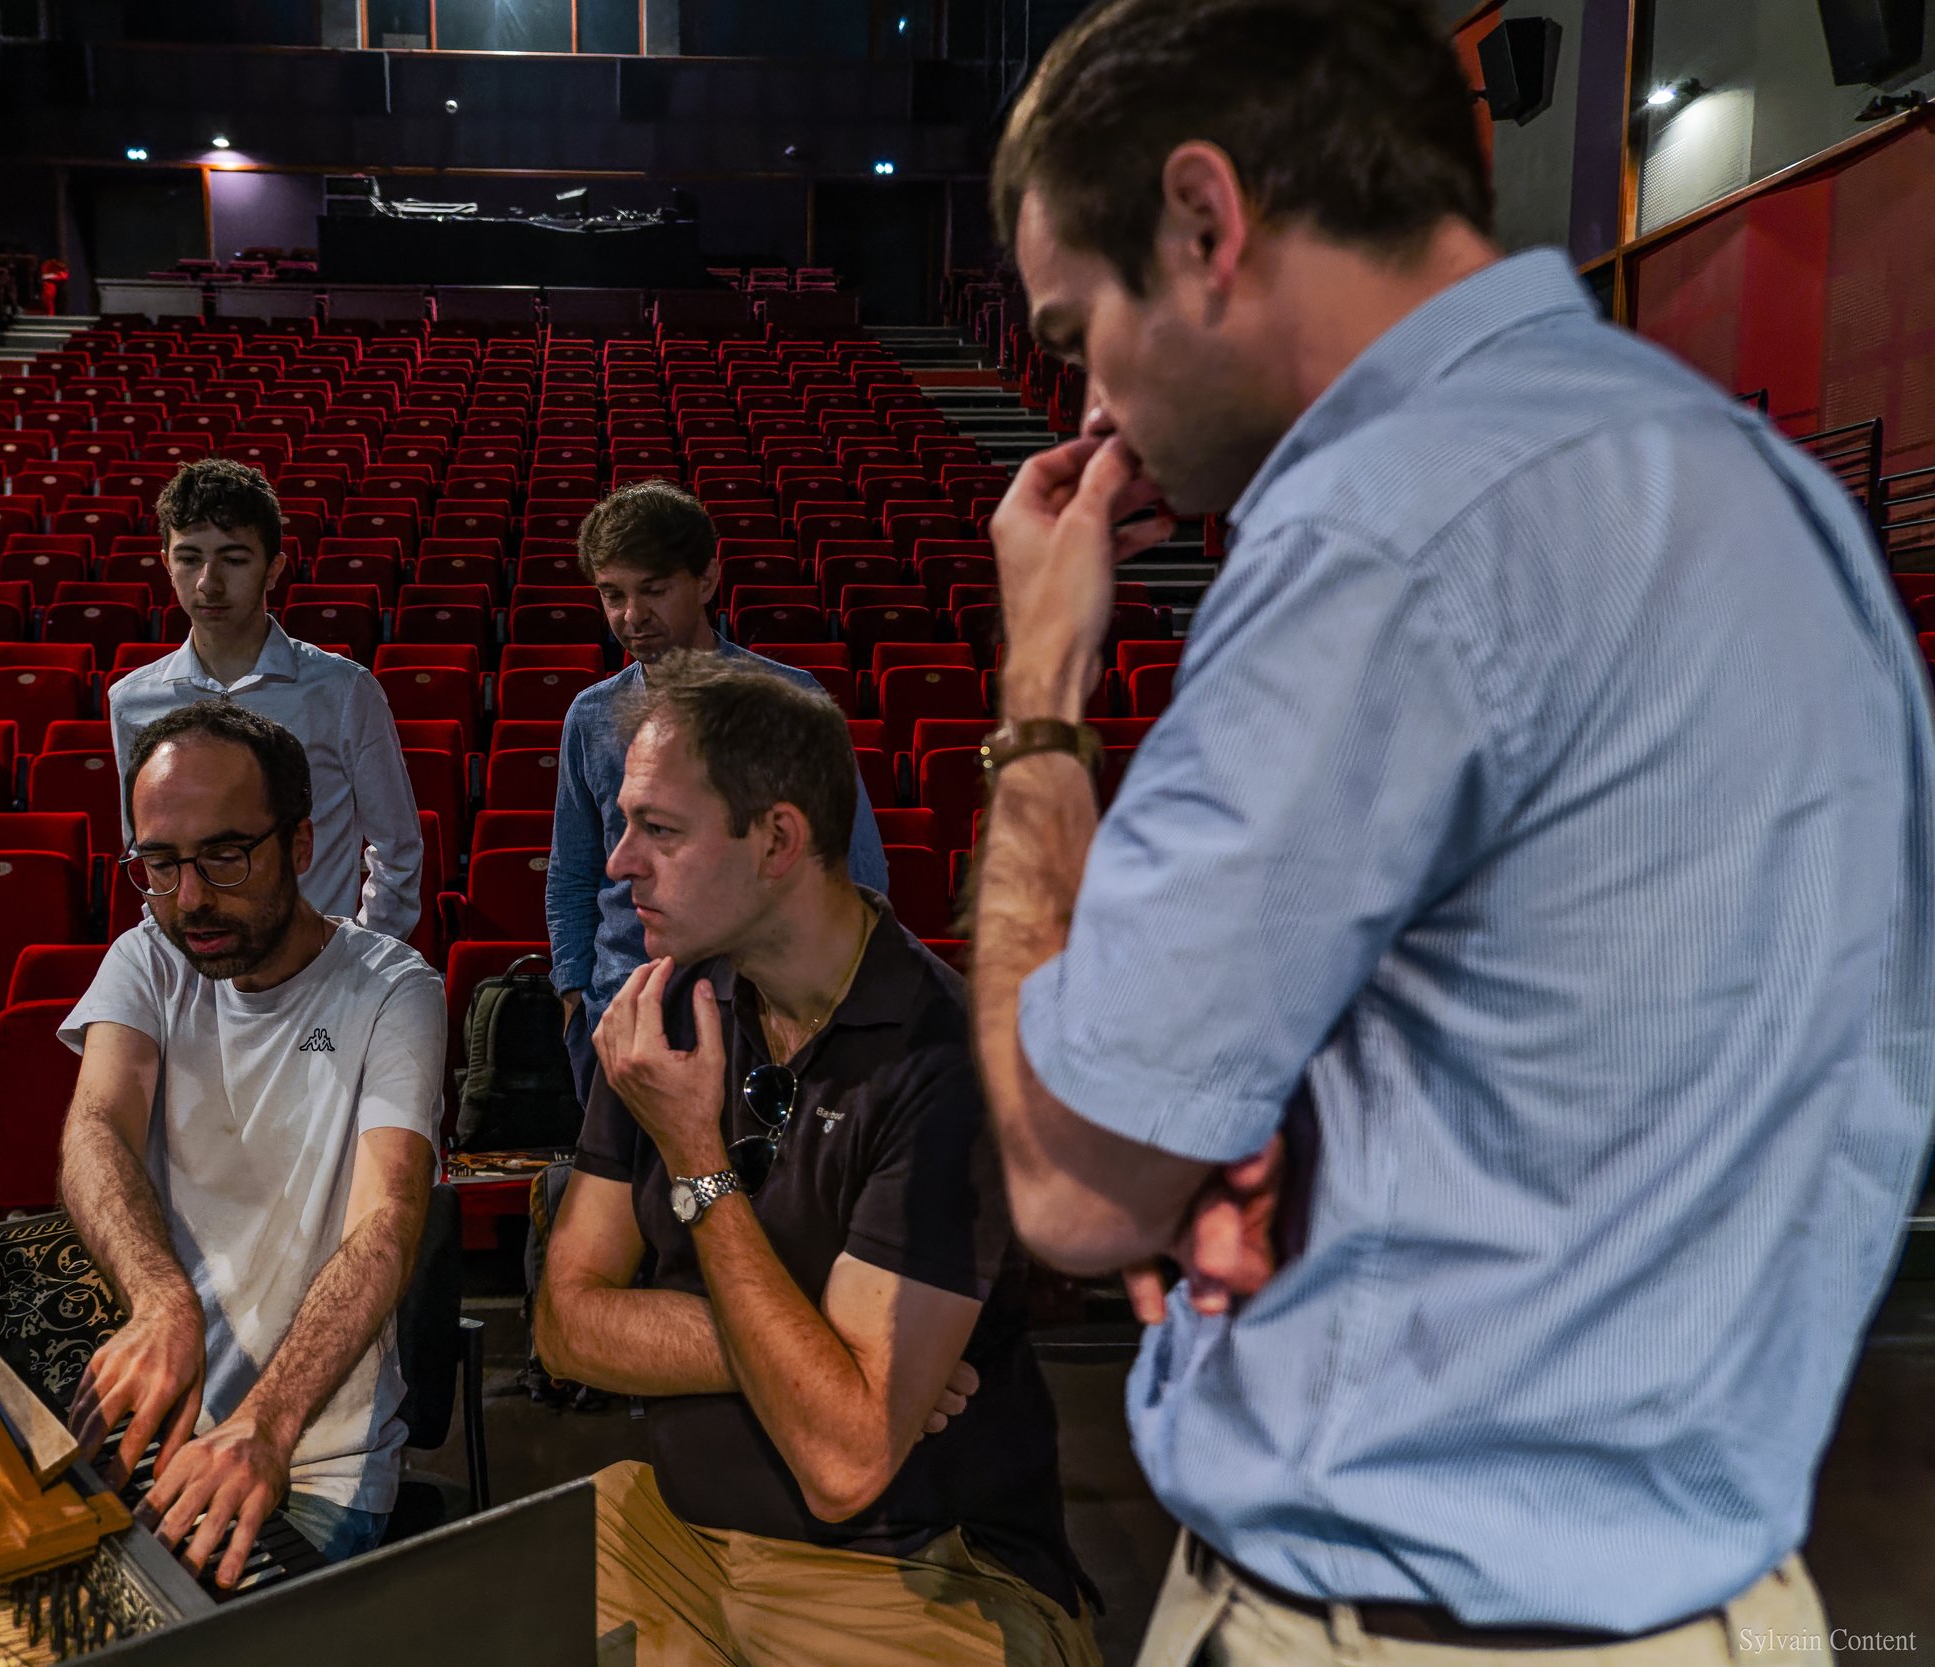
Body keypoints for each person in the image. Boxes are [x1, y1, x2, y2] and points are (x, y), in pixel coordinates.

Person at [967, 2, 1935, 1664]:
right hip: (1726, 1601)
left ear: (1207, 219)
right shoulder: (1786, 508)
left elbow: (1072, 1183)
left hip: (1392, 1620)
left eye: (1080, 329)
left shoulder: (1378, 533)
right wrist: (1286, 1144)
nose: (1093, 402)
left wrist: (1043, 704)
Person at [536, 654, 1098, 1667]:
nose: (618, 863)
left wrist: (696, 1156)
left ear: (779, 839)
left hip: (916, 1571)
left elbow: (843, 1459)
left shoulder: (944, 1060)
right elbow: (566, 1322)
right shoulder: (663, 1013)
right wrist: (824, 1363)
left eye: (658, 828)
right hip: (673, 1537)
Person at [58, 698, 446, 1582]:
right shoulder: (147, 958)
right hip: (159, 1434)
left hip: (308, 1458)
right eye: (159, 863)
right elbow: (96, 1127)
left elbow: (385, 1222)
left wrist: (266, 1426)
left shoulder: (392, 991)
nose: (190, 897)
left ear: (299, 847)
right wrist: (162, 1302)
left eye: (225, 856)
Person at [547, 480, 889, 1101]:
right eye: (613, 595)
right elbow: (574, 875)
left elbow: (856, 872)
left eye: (654, 590)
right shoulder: (590, 717)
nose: (632, 616)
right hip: (627, 1011)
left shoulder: (792, 704)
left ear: (706, 580)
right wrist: (579, 996)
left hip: (764, 1019)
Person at [108, 457, 425, 940]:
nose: (208, 583)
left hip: (314, 967)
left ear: (273, 568)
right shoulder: (131, 701)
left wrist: (359, 950)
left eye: (234, 560)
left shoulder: (343, 690)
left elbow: (397, 846)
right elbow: (150, 853)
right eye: (189, 558)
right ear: (166, 562)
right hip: (191, 967)